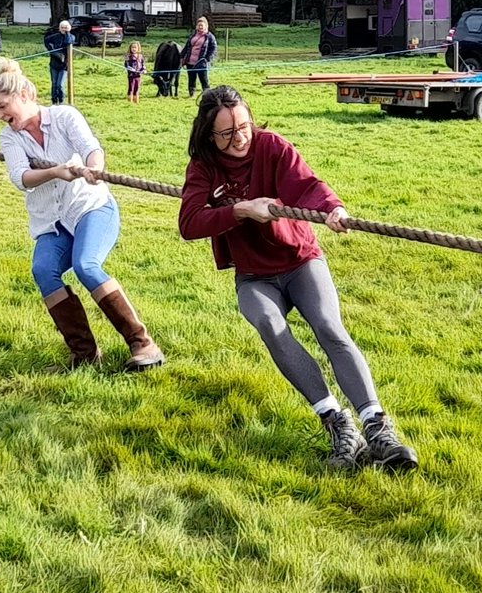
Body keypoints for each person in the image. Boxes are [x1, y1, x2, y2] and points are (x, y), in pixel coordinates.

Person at [177, 86, 417, 472]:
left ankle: (377, 428)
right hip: (254, 275)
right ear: (208, 134)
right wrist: (241, 210)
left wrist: (332, 208)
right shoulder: (204, 166)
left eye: (243, 126)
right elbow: (188, 224)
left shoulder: (272, 146)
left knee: (328, 326)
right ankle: (339, 424)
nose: (239, 138)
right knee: (270, 325)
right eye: (226, 133)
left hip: (299, 259)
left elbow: (306, 185)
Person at [0, 59, 165, 372]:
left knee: (86, 265)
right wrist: (57, 171)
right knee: (43, 271)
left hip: (90, 208)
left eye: (3, 106)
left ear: (25, 95)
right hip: (51, 222)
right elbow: (20, 177)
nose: (1, 116)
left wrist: (95, 167)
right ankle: (84, 354)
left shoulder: (64, 116)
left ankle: (143, 344)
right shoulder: (9, 138)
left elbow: (91, 148)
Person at [180, 16, 217, 97]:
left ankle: (207, 95)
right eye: (199, 25)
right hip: (190, 61)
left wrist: (207, 59)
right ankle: (191, 94)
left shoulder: (210, 36)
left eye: (202, 25)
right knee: (191, 79)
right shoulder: (193, 35)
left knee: (204, 80)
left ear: (206, 26)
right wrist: (181, 57)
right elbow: (187, 46)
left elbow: (213, 49)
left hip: (201, 62)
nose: (200, 27)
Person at [43, 20, 75, 104]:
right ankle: (54, 100)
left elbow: (68, 42)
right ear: (59, 28)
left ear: (69, 28)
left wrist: (67, 33)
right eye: (62, 27)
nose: (64, 29)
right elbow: (46, 40)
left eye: (66, 28)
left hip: (64, 66)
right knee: (54, 84)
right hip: (54, 64)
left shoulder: (71, 36)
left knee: (60, 84)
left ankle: (61, 100)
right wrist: (51, 49)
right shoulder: (55, 37)